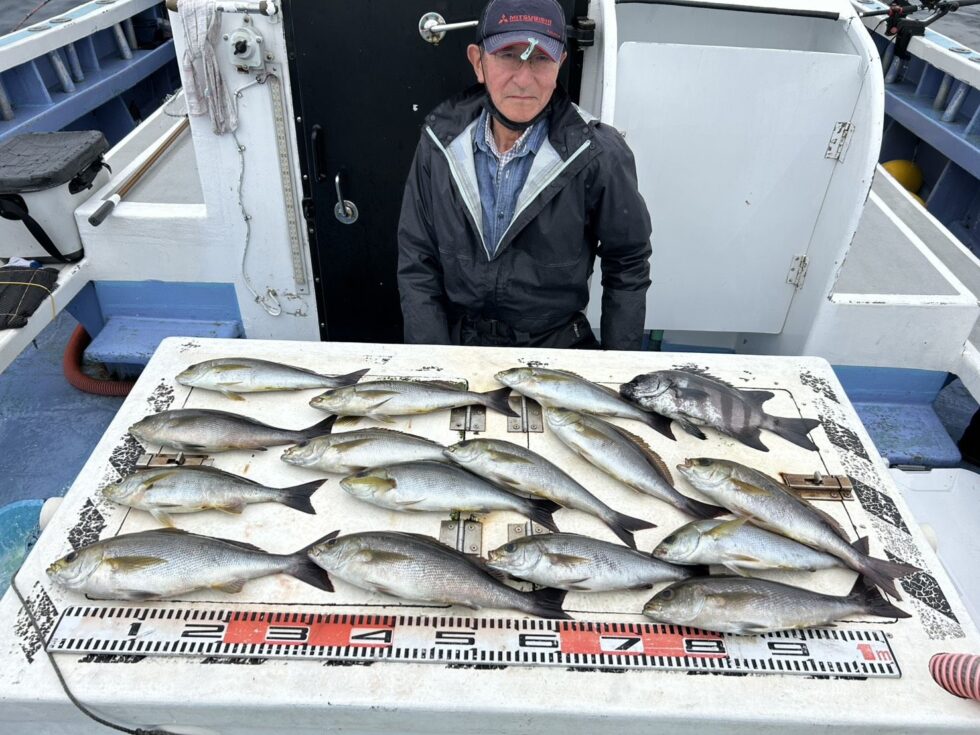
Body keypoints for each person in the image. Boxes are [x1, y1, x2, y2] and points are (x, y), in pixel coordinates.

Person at [397, 0, 652, 350]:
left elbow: (627, 263)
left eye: (540, 58)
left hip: (557, 346)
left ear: (560, 62)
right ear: (478, 62)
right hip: (460, 345)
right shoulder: (439, 142)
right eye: (508, 55)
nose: (523, 77)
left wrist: (618, 369)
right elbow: (417, 258)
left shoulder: (599, 153)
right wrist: (433, 362)